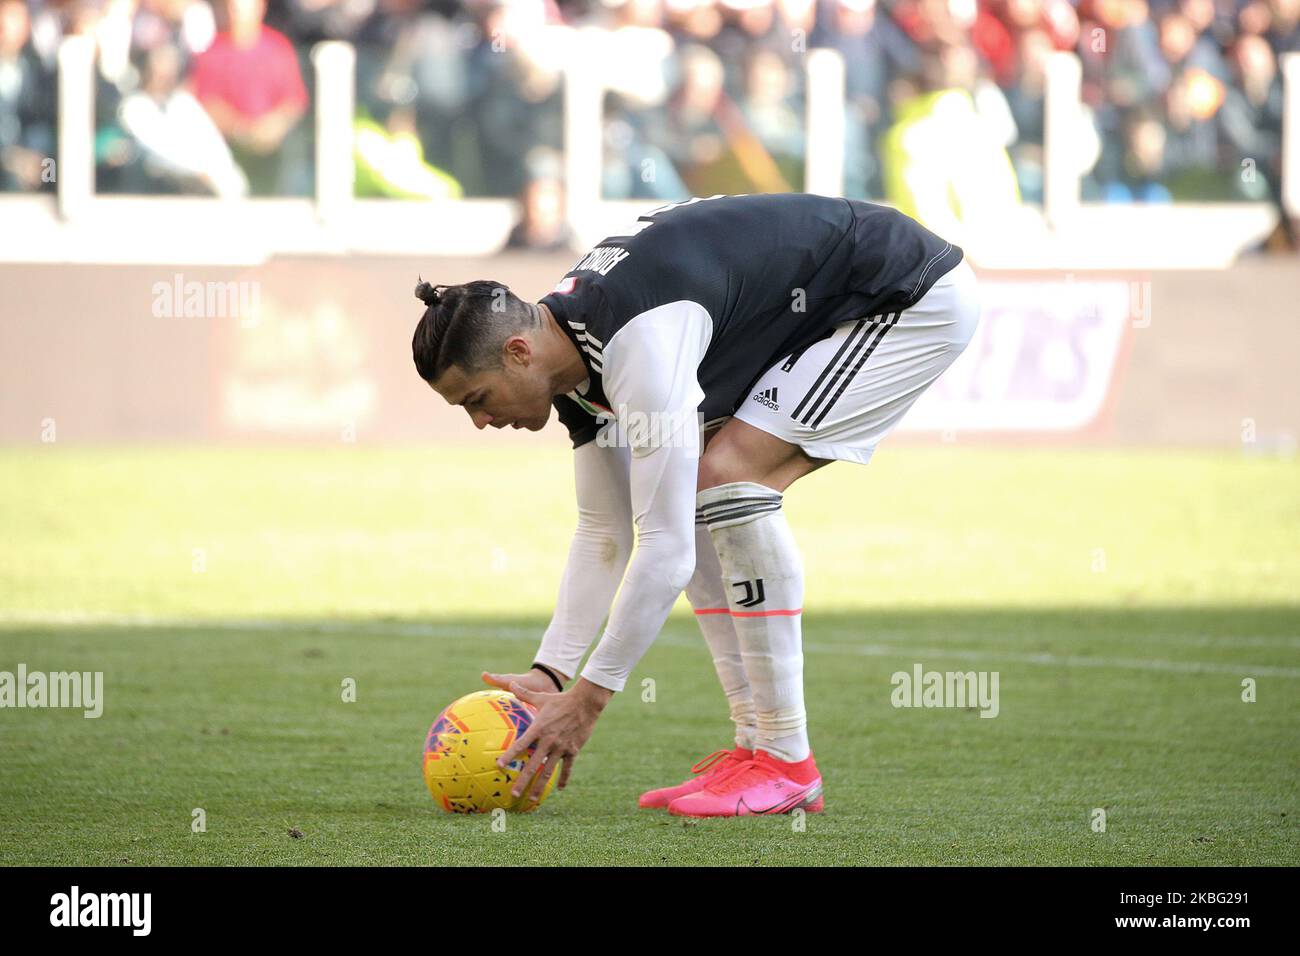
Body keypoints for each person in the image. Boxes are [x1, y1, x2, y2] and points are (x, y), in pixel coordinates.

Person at [409, 193, 980, 817]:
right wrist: (550, 674)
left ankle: (787, 761)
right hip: (827, 303)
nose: (482, 420)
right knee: (702, 487)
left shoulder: (635, 341)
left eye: (477, 398)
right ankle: (757, 747)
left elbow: (665, 550)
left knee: (727, 477)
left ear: (517, 352)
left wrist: (589, 699)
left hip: (904, 295)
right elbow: (604, 531)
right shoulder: (566, 353)